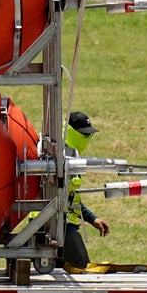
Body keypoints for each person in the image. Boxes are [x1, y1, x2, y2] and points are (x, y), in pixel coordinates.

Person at [61, 111, 110, 269]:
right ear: (71, 132)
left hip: (65, 226)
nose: (87, 139)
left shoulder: (72, 156)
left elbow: (70, 198)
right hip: (58, 227)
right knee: (81, 266)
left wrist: (92, 219)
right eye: (84, 134)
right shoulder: (61, 157)